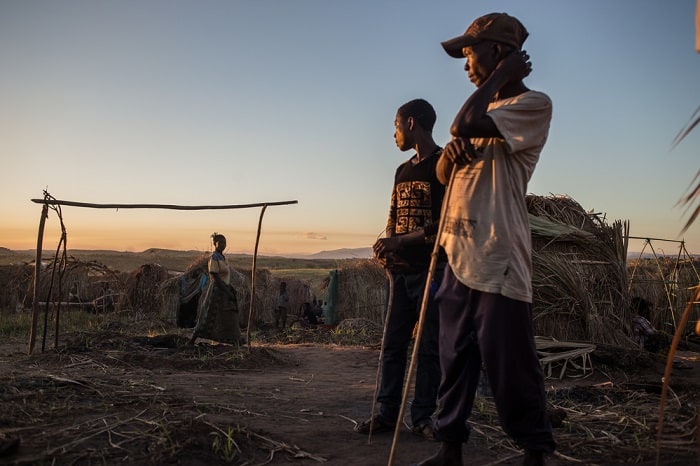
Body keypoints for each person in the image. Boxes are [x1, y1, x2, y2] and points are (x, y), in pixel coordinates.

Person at [415, 13, 555, 466]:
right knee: (454, 359)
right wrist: (449, 158)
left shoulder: (532, 105)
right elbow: (443, 172)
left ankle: (536, 450)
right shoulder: (483, 111)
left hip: (499, 257)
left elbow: (461, 125)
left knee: (510, 364)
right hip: (458, 253)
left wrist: (501, 78)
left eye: (471, 52)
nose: (464, 63)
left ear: (498, 54)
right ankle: (449, 447)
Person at [355, 98, 446, 440]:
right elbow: (392, 218)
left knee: (428, 347)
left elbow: (445, 224)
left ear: (411, 123)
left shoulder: (441, 166)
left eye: (395, 125)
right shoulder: (402, 171)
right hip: (401, 273)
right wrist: (388, 249)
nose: (393, 134)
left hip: (432, 272)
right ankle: (385, 414)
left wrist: (402, 243)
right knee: (392, 345)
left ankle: (422, 417)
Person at [189, 233, 243, 345]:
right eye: (221, 242)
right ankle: (193, 339)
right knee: (207, 316)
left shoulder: (223, 258)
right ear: (215, 244)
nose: (223, 244)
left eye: (225, 242)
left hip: (225, 289)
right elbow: (214, 275)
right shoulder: (214, 258)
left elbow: (225, 276)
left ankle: (235, 340)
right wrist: (226, 290)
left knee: (229, 316)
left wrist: (229, 288)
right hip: (217, 291)